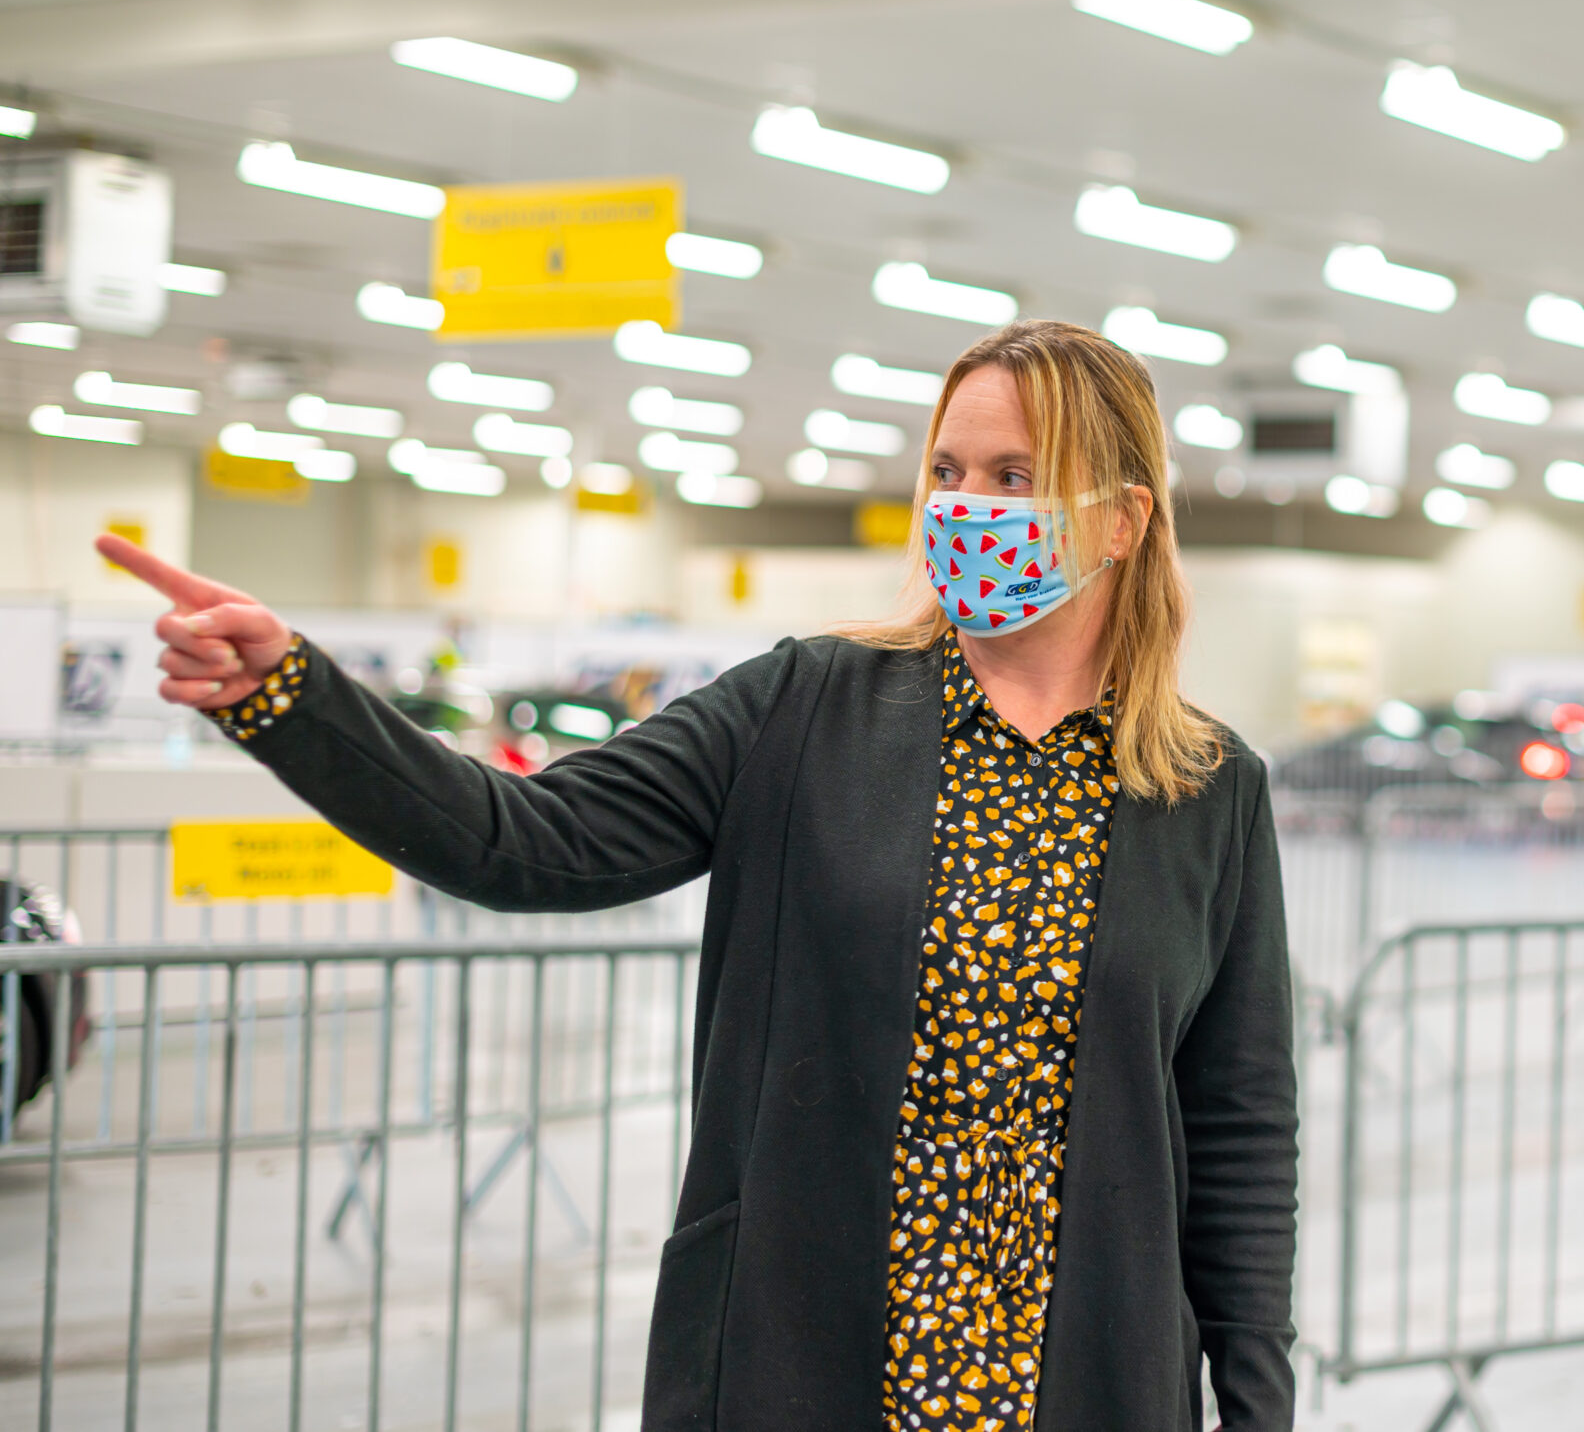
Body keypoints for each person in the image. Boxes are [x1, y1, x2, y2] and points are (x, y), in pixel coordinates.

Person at [103, 319, 1298, 1432]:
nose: (964, 505)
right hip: (802, 1352)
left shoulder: (1205, 788)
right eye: (947, 469)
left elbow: (1240, 1126)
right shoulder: (803, 707)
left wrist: (1256, 1402)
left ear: (1121, 519)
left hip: (1085, 1372)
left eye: (1012, 475)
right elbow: (524, 837)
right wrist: (293, 695)